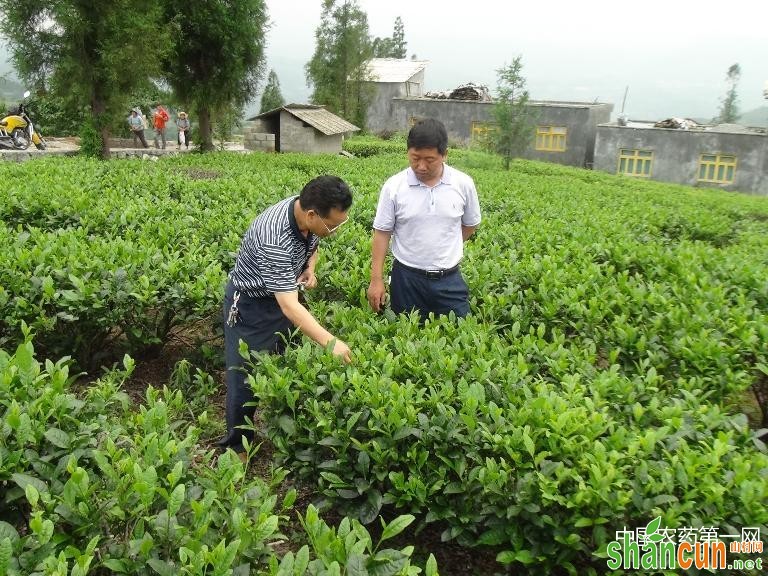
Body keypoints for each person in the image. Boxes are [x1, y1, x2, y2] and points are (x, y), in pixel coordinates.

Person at [219, 175, 353, 456]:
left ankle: (286, 428)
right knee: (244, 376)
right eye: (333, 225)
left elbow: (313, 244)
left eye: (342, 223)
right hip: (251, 306)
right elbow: (290, 307)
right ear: (312, 214)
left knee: (289, 362)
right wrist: (331, 343)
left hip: (283, 295)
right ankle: (236, 447)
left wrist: (310, 267)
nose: (336, 230)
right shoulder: (274, 237)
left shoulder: (309, 213)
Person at [367, 118, 481, 320]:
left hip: (449, 279)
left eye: (429, 160)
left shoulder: (463, 184)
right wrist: (376, 280)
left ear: (445, 155)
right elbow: (382, 233)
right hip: (406, 279)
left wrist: (444, 245)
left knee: (459, 334)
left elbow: (470, 225)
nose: (420, 166)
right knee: (405, 336)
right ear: (407, 153)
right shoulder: (394, 186)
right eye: (415, 158)